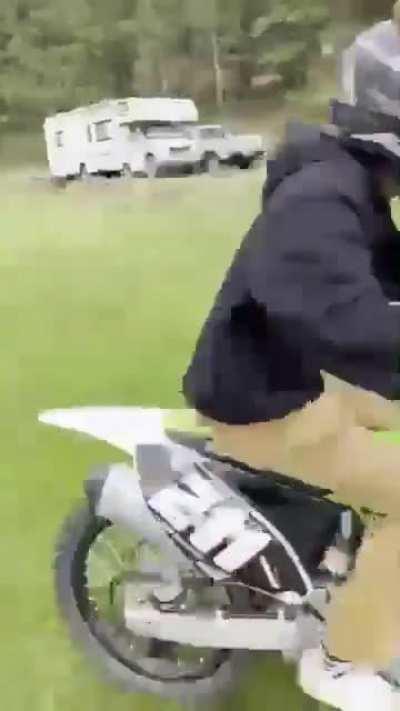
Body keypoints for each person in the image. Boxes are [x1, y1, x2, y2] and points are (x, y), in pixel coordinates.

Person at [182, 5, 400, 710]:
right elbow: (349, 319)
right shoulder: (320, 202)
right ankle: (340, 662)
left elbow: (384, 279)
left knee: (383, 422)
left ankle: (349, 566)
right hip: (263, 403)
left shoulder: (352, 188)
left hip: (293, 378)